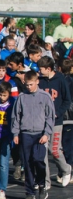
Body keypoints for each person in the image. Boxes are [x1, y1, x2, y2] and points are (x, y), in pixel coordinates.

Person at [12, 71, 55, 199]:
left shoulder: (45, 97)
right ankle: (30, 191)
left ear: (37, 82)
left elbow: (50, 117)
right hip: (25, 134)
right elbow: (16, 116)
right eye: (27, 84)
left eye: (31, 84)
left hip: (40, 134)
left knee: (38, 160)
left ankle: (42, 184)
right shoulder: (21, 97)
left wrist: (47, 133)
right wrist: (16, 133)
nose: (29, 87)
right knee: (28, 163)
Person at [37, 56, 72, 188]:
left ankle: (66, 169)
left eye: (41, 69)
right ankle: (46, 181)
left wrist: (58, 113)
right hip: (42, 121)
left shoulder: (60, 80)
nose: (39, 71)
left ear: (48, 69)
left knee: (55, 150)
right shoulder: (40, 80)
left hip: (56, 121)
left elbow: (67, 100)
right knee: (42, 151)